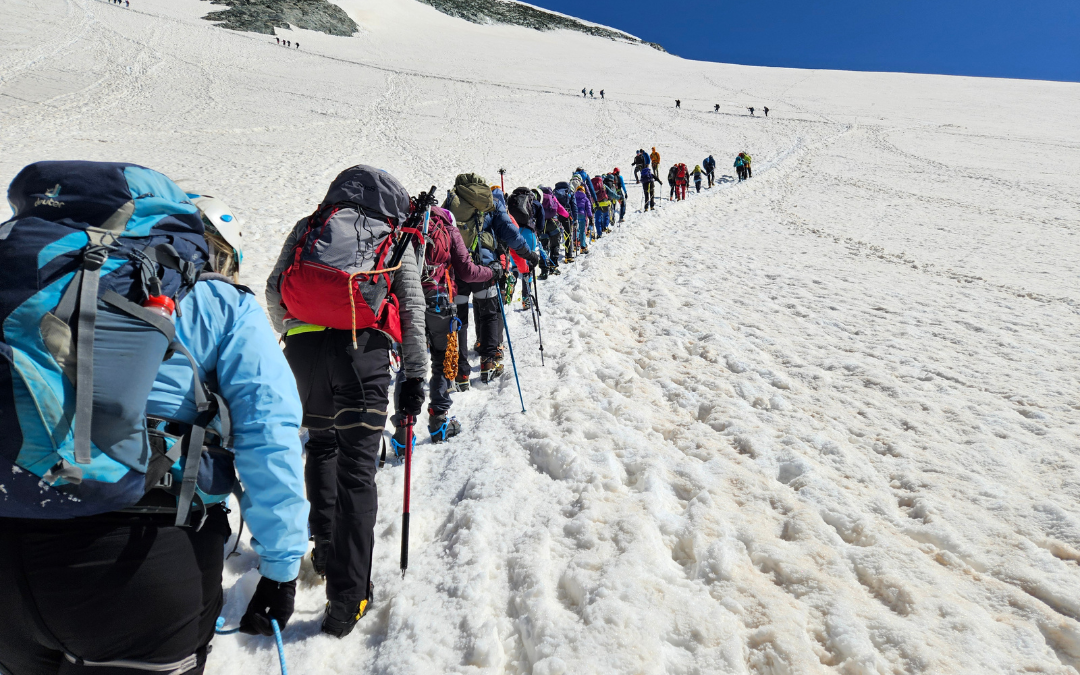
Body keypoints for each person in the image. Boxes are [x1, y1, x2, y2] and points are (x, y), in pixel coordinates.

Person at [0, 162, 309, 673]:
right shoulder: (218, 301)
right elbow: (267, 431)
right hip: (140, 557)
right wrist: (280, 565)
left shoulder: (22, 277)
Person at [265, 165, 428, 639]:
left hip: (304, 353)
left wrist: (294, 331)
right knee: (358, 472)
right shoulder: (396, 237)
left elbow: (277, 289)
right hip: (363, 355)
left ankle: (324, 546)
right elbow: (413, 309)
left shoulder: (311, 225)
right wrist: (415, 375)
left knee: (319, 445)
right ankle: (347, 598)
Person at [392, 206, 495, 446]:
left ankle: (403, 432)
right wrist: (492, 271)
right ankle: (439, 421)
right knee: (442, 359)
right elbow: (467, 271)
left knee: (408, 364)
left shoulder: (401, 225)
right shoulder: (448, 227)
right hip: (439, 302)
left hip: (406, 302)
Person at [444, 176, 539, 385]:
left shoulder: (451, 201)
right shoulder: (491, 203)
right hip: (485, 268)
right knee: (488, 314)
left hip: (456, 269)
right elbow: (511, 233)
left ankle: (461, 372)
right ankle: (488, 362)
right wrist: (528, 254)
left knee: (458, 318)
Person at [573, 185, 593, 254]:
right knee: (582, 231)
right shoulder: (585, 198)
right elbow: (588, 208)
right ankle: (583, 247)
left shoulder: (573, 197)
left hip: (574, 215)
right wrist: (590, 216)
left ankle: (575, 242)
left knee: (575, 229)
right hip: (582, 215)